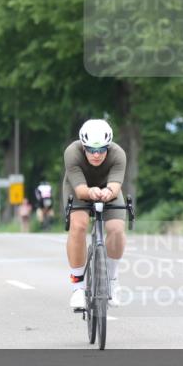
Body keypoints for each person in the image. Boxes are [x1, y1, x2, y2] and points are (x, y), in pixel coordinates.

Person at [64, 119, 126, 310]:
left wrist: (109, 192)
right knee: (79, 225)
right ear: (84, 146)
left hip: (108, 188)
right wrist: (90, 193)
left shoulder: (118, 154)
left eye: (101, 150)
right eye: (91, 150)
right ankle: (77, 287)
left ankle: (112, 280)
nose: (97, 154)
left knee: (116, 228)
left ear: (109, 146)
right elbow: (81, 190)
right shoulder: (72, 152)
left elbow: (115, 185)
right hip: (78, 188)